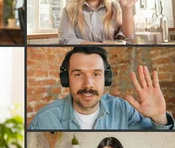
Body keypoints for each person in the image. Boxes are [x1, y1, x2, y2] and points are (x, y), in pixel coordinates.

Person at [28, 47, 174, 130]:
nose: (88, 84)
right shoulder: (44, 120)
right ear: (66, 79)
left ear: (107, 78)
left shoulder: (123, 110)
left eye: (96, 74)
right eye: (78, 74)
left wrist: (159, 117)